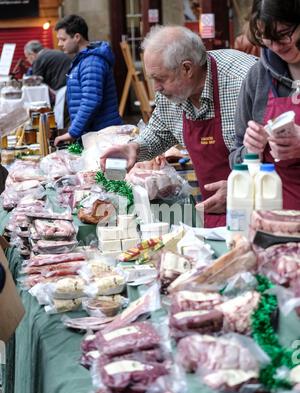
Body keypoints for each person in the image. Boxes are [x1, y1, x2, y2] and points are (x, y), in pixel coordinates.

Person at [101, 25, 257, 227]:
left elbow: (281, 155)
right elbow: (160, 130)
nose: (156, 88)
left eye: (160, 79)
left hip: (263, 209)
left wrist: (245, 187)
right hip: (215, 210)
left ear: (187, 68)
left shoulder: (245, 81)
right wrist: (134, 148)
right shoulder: (171, 91)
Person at [230, 0, 300, 210]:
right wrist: (251, 150)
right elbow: (235, 157)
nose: (277, 46)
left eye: (284, 34)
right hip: (274, 218)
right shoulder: (257, 77)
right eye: (267, 38)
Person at [54, 14, 122, 147]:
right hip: (95, 136)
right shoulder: (83, 60)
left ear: (77, 37)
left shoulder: (91, 63)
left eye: (63, 39)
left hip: (102, 137)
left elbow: (91, 100)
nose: (59, 44)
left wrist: (72, 133)